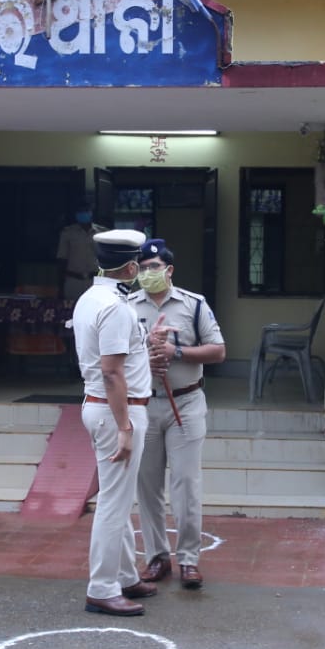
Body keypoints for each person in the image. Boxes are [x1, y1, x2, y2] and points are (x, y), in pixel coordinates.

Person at [128, 238, 226, 590]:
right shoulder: (127, 306)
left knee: (185, 483)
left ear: (169, 270)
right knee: (147, 484)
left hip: (185, 402)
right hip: (144, 404)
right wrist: (146, 356)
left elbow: (218, 351)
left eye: (154, 267)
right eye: (142, 268)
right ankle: (157, 556)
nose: (147, 273)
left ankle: (188, 559)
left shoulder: (193, 304)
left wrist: (175, 351)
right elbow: (117, 355)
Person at [71, 228, 157, 616]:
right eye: (139, 264)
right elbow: (111, 372)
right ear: (131, 268)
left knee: (117, 496)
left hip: (102, 407)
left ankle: (124, 576)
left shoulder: (91, 298)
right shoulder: (116, 307)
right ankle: (103, 587)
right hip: (116, 410)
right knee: (113, 502)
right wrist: (125, 427)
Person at [57, 202, 106, 301]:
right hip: (74, 281)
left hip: (95, 281)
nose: (83, 214)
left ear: (91, 213)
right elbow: (62, 260)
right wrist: (60, 286)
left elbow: (108, 260)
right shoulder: (68, 233)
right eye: (80, 211)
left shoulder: (103, 233)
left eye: (86, 211)